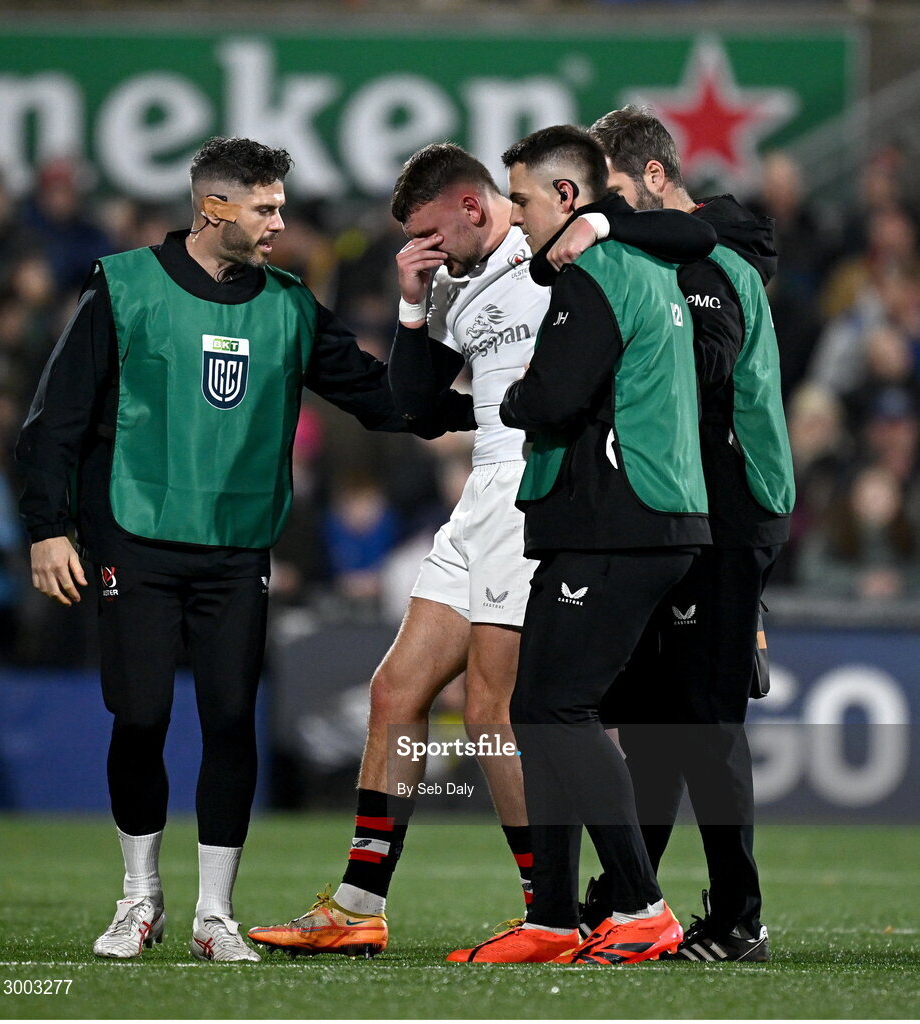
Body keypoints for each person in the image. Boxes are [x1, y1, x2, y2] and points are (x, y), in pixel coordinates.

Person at [248, 143, 715, 959]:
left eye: (431, 232)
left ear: (474, 207)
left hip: (537, 489)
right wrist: (411, 305)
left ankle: (549, 913)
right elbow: (416, 410)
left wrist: (601, 216)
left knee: (499, 711)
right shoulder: (450, 282)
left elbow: (695, 233)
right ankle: (359, 904)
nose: (426, 248)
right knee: (395, 690)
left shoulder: (556, 242)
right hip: (477, 497)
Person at [15, 136, 473, 964]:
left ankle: (214, 914)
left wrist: (488, 397)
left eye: (280, 206)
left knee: (230, 721)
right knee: (142, 715)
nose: (280, 222)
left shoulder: (291, 305)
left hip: (237, 547)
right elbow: (56, 419)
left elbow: (383, 399)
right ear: (212, 207)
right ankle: (139, 897)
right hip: (134, 534)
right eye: (264, 207)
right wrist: (50, 527)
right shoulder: (124, 288)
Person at [446, 124, 711, 966]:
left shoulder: (596, 274)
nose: (512, 215)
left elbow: (551, 398)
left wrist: (519, 396)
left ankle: (639, 906)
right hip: (625, 519)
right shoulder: (639, 265)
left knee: (556, 710)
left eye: (520, 198)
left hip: (617, 521)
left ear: (566, 197)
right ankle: (554, 918)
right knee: (540, 710)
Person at [577, 106, 795, 962]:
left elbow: (703, 363)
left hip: (726, 509)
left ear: (658, 179)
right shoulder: (674, 255)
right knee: (659, 718)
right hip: (683, 504)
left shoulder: (703, 259)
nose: (607, 211)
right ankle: (635, 900)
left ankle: (739, 917)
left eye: (617, 193)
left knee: (701, 720)